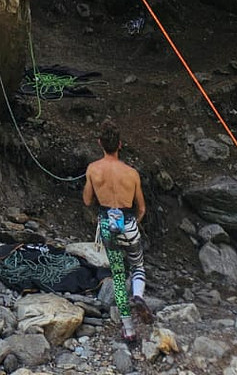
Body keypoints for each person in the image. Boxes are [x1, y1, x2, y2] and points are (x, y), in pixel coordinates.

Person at [83, 119, 151, 343]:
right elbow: (142, 208)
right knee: (137, 265)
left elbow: (87, 200)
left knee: (118, 276)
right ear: (120, 144)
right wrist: (134, 223)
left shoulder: (93, 169)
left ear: (100, 143)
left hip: (106, 224)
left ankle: (129, 330)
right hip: (129, 223)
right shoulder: (131, 173)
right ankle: (138, 296)